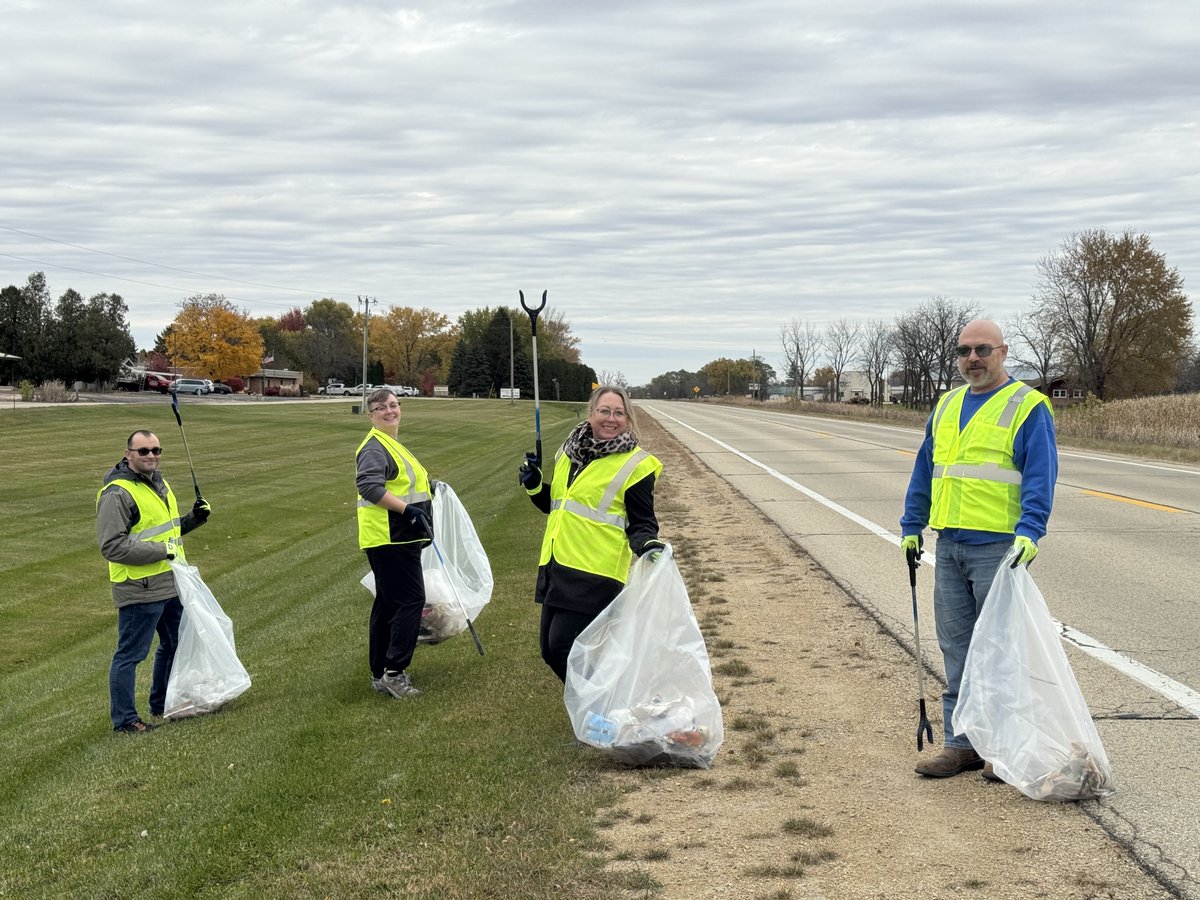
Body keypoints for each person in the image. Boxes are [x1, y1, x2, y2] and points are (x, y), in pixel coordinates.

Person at [900, 319, 1058, 779]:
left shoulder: (1027, 405)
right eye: (965, 351)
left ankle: (1003, 749)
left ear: (1003, 352)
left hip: (999, 549)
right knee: (957, 648)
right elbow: (926, 468)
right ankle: (961, 744)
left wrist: (1031, 531)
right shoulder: (947, 404)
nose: (973, 358)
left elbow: (1040, 473)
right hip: (949, 545)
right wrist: (912, 524)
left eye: (982, 350)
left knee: (1001, 650)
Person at [520, 384, 666, 682]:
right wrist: (534, 485)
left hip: (596, 573)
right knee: (549, 651)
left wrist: (648, 543)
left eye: (619, 413)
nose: (611, 419)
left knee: (562, 648)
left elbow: (642, 521)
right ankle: (597, 703)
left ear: (628, 419)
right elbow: (557, 504)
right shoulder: (569, 452)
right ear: (591, 413)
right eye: (604, 411)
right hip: (557, 565)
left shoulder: (636, 465)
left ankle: (603, 705)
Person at [96, 430, 211, 733]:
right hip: (139, 587)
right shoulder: (117, 493)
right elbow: (112, 546)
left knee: (174, 643)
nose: (151, 456)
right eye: (144, 451)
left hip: (169, 581)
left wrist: (193, 519)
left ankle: (161, 703)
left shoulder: (159, 483)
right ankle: (125, 721)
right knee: (130, 655)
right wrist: (162, 551)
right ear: (128, 454)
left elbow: (165, 531)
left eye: (156, 450)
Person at [356, 387, 434, 699]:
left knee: (388, 603)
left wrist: (430, 488)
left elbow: (403, 484)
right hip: (390, 537)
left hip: (396, 536)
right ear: (371, 415)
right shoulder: (375, 447)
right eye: (381, 408)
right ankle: (394, 672)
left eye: (393, 405)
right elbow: (369, 487)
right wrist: (406, 510)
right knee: (411, 601)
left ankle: (380, 673)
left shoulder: (391, 444)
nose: (390, 411)